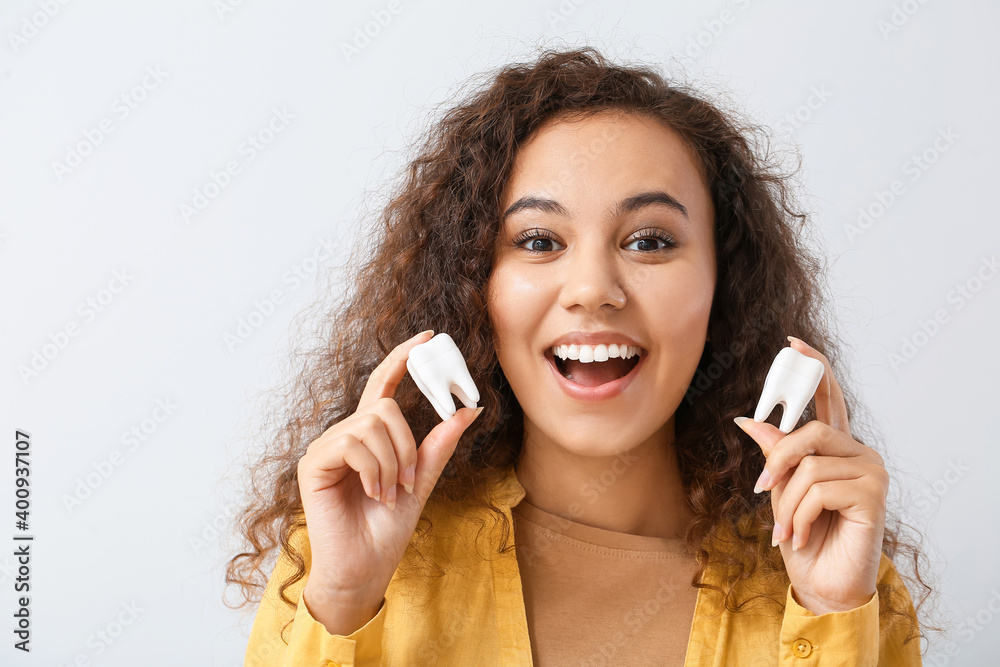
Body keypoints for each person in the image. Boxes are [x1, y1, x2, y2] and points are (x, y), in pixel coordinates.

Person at [228, 47, 929, 665]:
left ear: (727, 284)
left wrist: (835, 614)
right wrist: (345, 602)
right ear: (473, 287)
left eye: (650, 241)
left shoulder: (841, 585)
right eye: (538, 240)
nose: (593, 289)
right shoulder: (348, 563)